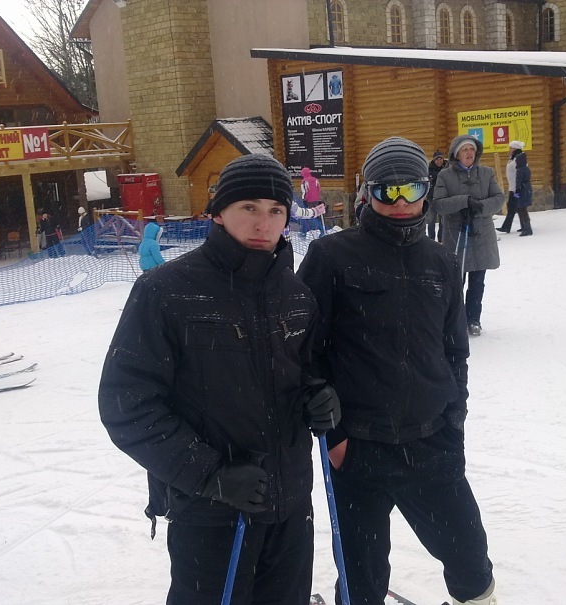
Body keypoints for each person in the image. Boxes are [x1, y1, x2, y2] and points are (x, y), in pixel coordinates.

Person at [98, 153, 340, 605]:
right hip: (211, 511)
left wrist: (317, 395)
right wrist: (211, 475)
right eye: (249, 207)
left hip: (289, 506)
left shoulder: (296, 295)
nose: (263, 223)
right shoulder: (167, 291)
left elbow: (306, 370)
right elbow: (126, 403)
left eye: (276, 210)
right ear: (218, 212)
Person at [297, 137, 497, 605]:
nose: (401, 201)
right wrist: (336, 436)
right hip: (359, 448)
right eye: (388, 190)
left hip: (432, 443)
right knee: (362, 574)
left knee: (471, 561)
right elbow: (305, 352)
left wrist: (454, 420)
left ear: (426, 189)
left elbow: (454, 351)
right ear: (367, 192)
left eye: (412, 188)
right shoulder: (331, 257)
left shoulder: (441, 261)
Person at [434, 134, 504, 337]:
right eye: (465, 150)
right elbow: (438, 204)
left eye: (472, 149)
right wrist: (463, 201)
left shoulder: (486, 173)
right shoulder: (445, 176)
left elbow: (499, 198)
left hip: (482, 236)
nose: (469, 153)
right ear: (457, 154)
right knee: (456, 282)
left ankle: (474, 319)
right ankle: (456, 320)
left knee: (478, 281)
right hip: (457, 236)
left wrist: (480, 207)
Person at [496, 140, 533, 236]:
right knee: (512, 207)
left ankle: (526, 228)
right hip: (513, 187)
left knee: (521, 207)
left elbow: (520, 174)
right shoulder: (513, 159)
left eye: (511, 148)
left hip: (517, 188)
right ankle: (507, 226)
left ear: (516, 149)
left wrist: (517, 188)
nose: (509, 150)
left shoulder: (519, 159)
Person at [426, 149, 447, 241]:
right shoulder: (429, 170)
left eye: (440, 159)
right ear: (434, 160)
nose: (439, 161)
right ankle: (431, 239)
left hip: (443, 199)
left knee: (443, 221)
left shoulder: (447, 169)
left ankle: (441, 239)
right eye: (437, 159)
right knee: (431, 220)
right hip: (431, 199)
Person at [300, 166, 324, 232]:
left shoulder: (304, 181)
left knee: (307, 214)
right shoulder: (315, 179)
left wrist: (303, 199)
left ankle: (307, 230)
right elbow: (318, 189)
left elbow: (304, 191)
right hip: (316, 199)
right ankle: (319, 228)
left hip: (308, 200)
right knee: (316, 213)